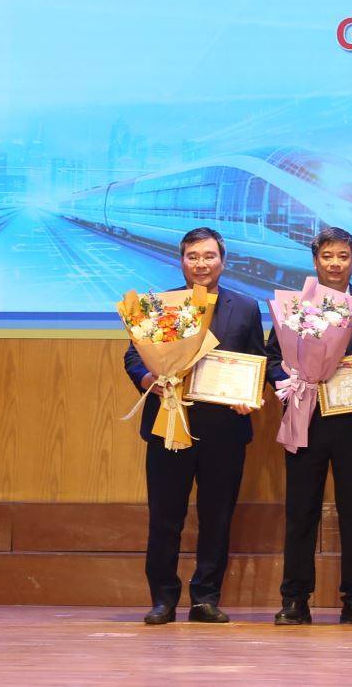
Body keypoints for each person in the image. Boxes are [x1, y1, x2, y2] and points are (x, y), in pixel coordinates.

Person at [123, 226, 264, 625]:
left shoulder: (246, 307)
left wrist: (250, 393)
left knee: (217, 518)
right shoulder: (160, 306)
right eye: (193, 256)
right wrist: (149, 379)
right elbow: (133, 357)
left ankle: (205, 598)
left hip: (225, 429)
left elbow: (258, 360)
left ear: (223, 260)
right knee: (165, 517)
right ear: (182, 261)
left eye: (209, 256)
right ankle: (163, 600)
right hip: (170, 422)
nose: (201, 264)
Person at [266, 227, 352, 627]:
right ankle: (295, 599)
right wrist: (290, 379)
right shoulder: (294, 305)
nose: (335, 263)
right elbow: (272, 360)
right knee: (300, 512)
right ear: (315, 260)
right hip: (307, 419)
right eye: (327, 256)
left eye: (343, 256)